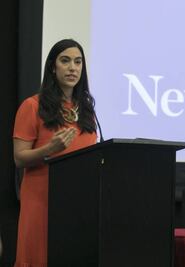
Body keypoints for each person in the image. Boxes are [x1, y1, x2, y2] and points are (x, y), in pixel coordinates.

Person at [13, 39, 98, 266]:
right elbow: (19, 158)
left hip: (78, 202)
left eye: (78, 62)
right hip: (42, 199)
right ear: (53, 66)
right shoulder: (32, 106)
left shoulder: (87, 109)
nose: (73, 67)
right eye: (65, 61)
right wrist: (50, 149)